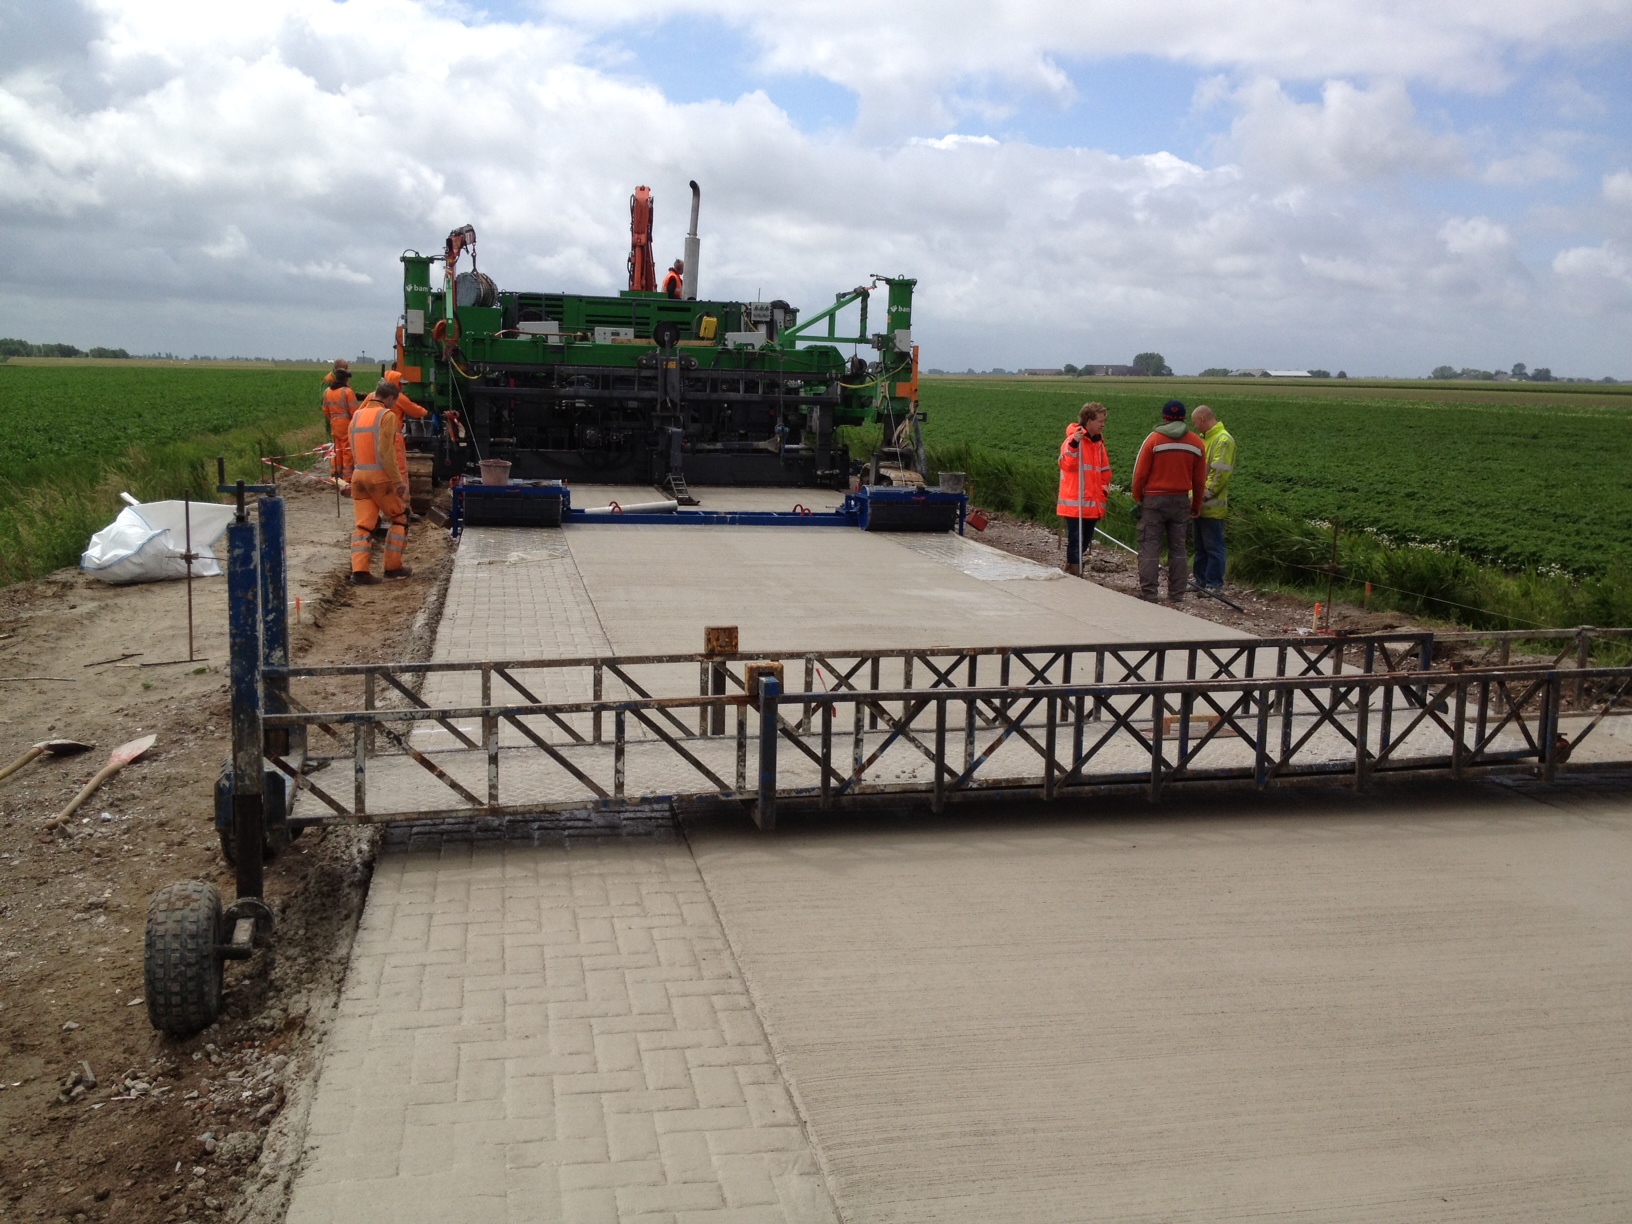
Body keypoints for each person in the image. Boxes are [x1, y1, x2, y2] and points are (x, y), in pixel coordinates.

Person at [1131, 399, 1206, 603]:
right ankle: (1176, 594)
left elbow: (1139, 474)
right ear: (1183, 417)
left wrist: (1138, 498)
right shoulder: (1196, 443)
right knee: (1178, 548)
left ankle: (1149, 593)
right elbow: (1199, 480)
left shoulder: (1154, 440)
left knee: (1149, 546)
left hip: (1154, 501)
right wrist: (1196, 505)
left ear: (1164, 417)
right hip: (1181, 500)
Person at [346, 381, 411, 585]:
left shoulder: (357, 415)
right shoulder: (387, 416)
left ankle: (360, 572)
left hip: (359, 477)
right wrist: (398, 480)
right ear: (390, 398)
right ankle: (393, 568)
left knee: (364, 526)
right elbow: (386, 452)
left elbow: (351, 445)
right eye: (394, 401)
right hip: (380, 479)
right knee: (399, 518)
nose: (394, 405)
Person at [1056, 402, 1111, 577]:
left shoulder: (1098, 444)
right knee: (1076, 540)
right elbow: (1066, 464)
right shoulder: (1072, 440)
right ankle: (1075, 572)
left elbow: (1105, 471)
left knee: (1084, 541)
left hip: (1092, 503)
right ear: (1089, 420)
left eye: (1104, 421)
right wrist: (1074, 444)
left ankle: (1072, 569)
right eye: (1100, 421)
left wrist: (1103, 492)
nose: (1103, 424)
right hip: (1075, 502)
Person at [1191, 405, 1236, 591]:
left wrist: (1201, 497)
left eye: (1195, 423)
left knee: (1214, 548)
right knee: (1200, 548)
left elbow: (1219, 475)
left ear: (1202, 419)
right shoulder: (1204, 440)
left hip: (1211, 506)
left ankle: (1213, 584)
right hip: (1198, 504)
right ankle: (1200, 582)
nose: (1195, 427)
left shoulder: (1223, 440)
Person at [320, 359, 358, 484]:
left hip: (334, 424)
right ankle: (347, 478)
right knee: (347, 451)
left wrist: (333, 419)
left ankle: (334, 475)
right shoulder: (347, 392)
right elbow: (355, 412)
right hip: (346, 424)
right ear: (346, 379)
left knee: (336, 450)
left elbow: (325, 410)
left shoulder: (327, 392)